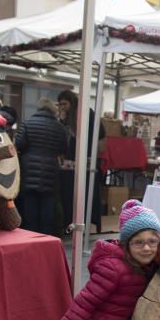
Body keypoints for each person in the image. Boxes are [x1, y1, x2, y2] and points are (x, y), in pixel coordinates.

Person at [14, 98, 69, 235]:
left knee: (30, 206)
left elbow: (19, 144)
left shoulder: (27, 123)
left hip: (29, 169)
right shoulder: (60, 127)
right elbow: (64, 148)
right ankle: (45, 238)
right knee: (47, 207)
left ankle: (30, 236)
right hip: (50, 170)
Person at [57, 90, 102, 235]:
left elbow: (98, 135)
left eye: (64, 104)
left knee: (80, 196)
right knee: (71, 196)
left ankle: (81, 224)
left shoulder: (84, 114)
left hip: (82, 163)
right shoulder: (81, 114)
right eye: (60, 104)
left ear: (71, 102)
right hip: (72, 165)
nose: (62, 107)